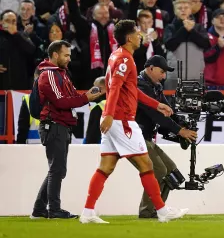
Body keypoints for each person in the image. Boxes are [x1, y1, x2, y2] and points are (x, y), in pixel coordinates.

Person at [79, 20, 188, 224]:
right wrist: (110, 114)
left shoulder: (118, 55)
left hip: (115, 119)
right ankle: (162, 212)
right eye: (137, 33)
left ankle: (87, 212)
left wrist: (157, 105)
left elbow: (131, 90)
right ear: (129, 38)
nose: (140, 36)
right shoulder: (125, 59)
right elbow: (116, 89)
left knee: (106, 167)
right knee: (147, 165)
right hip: (122, 121)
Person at [31, 41, 104, 220]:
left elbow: (70, 98)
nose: (69, 59)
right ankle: (53, 209)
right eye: (66, 55)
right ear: (55, 55)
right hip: (54, 124)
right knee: (57, 169)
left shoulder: (60, 74)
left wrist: (87, 96)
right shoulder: (49, 74)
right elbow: (61, 102)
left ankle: (40, 210)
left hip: (60, 125)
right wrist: (85, 98)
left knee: (57, 169)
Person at [135, 56, 198, 218]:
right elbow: (156, 115)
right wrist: (180, 131)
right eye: (162, 72)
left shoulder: (155, 86)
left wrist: (182, 124)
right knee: (159, 169)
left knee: (170, 170)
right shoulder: (140, 86)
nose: (164, 76)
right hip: (135, 136)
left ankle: (158, 209)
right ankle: (147, 211)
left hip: (146, 137)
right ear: (150, 68)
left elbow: (168, 110)